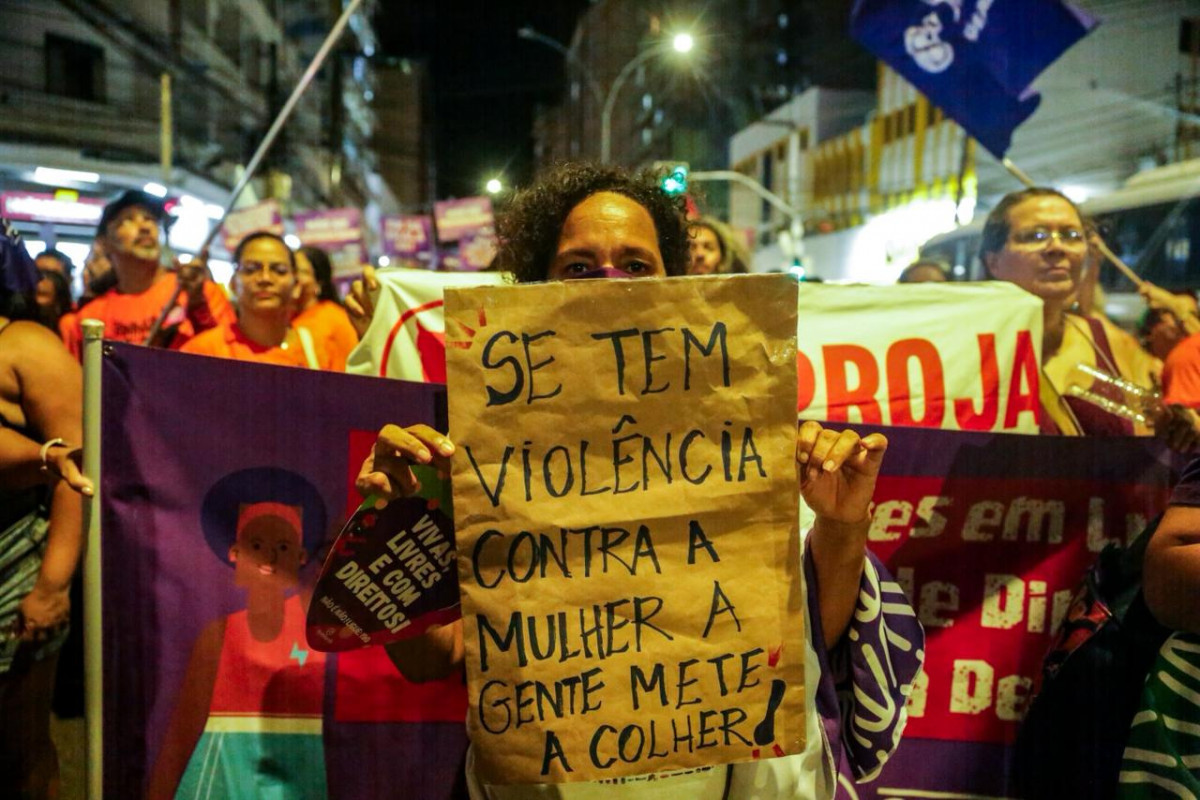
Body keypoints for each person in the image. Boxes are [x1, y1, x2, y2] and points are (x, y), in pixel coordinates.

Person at [359, 163, 922, 800]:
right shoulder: (483, 449)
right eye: (578, 267)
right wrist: (394, 535)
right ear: (537, 286)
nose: (609, 285)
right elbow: (438, 659)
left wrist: (841, 521)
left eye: (635, 265)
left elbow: (810, 630)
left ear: (672, 280)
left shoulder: (742, 431)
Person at [147, 467, 329, 800]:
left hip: (302, 773)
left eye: (284, 547)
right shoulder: (219, 634)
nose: (269, 558)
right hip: (224, 776)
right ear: (235, 553)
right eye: (256, 544)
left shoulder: (316, 631)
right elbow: (183, 728)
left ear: (301, 557)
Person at [981, 187, 1199, 447]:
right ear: (992, 261)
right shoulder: (964, 348)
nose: (1056, 247)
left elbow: (1152, 426)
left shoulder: (1108, 341)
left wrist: (1180, 428)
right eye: (1034, 236)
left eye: (1071, 235)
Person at [0, 220, 92, 799]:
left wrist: (53, 586)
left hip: (16, 559)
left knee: (18, 745)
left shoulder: (28, 345)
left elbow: (78, 466)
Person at [63, 190, 234, 358]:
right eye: (128, 220)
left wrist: (198, 307)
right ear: (104, 242)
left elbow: (230, 360)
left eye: (150, 219)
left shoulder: (200, 293)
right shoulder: (89, 318)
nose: (145, 227)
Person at [181, 232, 334, 369]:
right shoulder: (201, 353)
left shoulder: (320, 349)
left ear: (296, 285)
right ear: (233, 284)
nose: (265, 278)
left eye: (279, 270)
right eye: (251, 269)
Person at [293, 245, 358, 371]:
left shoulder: (335, 319)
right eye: (290, 270)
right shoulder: (282, 318)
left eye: (302, 272)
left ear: (319, 281)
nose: (295, 277)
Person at [34, 269, 72, 336]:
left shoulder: (69, 325)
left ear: (58, 303)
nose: (35, 299)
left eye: (42, 294)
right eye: (32, 293)